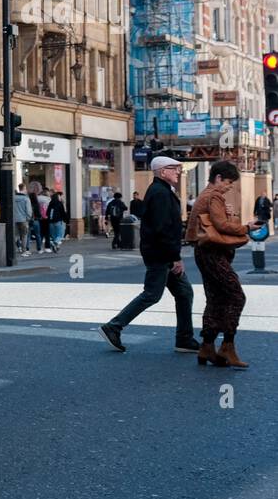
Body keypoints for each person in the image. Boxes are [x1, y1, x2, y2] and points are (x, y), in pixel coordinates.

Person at [98, 156, 196, 354]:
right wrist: (174, 257)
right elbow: (162, 229)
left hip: (162, 253)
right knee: (152, 294)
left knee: (184, 293)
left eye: (179, 168)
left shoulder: (163, 190)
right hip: (161, 254)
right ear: (162, 172)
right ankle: (113, 327)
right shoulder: (159, 193)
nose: (178, 171)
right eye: (174, 168)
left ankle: (184, 339)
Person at [186, 161, 254, 369]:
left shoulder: (204, 195)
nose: (229, 187)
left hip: (204, 252)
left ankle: (207, 346)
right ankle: (227, 344)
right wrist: (245, 228)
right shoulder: (214, 195)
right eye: (228, 182)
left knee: (215, 298)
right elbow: (220, 224)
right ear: (218, 178)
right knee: (236, 295)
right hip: (213, 253)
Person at [13, 183, 32, 257]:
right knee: (24, 235)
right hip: (23, 219)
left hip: (15, 219)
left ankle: (12, 251)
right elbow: (29, 210)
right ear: (24, 188)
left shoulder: (13, 198)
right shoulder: (26, 198)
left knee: (15, 236)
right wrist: (28, 218)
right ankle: (24, 251)